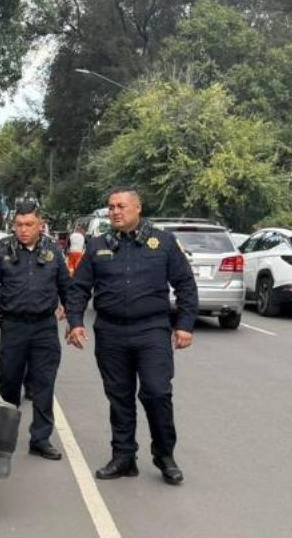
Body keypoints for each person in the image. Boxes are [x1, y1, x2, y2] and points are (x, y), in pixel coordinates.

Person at [65, 187, 198, 483]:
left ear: (138, 208)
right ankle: (124, 457)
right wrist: (75, 322)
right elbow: (78, 288)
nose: (114, 211)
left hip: (151, 330)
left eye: (121, 206)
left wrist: (185, 324)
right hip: (111, 332)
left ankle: (165, 455)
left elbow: (186, 285)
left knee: (157, 392)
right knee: (119, 397)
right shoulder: (98, 244)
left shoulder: (162, 242)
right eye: (111, 207)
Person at [0, 201, 70, 460]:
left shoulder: (53, 251)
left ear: (40, 224)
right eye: (19, 225)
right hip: (13, 327)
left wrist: (74, 319)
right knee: (9, 382)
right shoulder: (4, 249)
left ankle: (40, 439)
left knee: (44, 384)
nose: (23, 230)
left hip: (44, 328)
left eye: (29, 225)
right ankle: (5, 437)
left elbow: (66, 287)